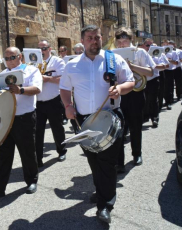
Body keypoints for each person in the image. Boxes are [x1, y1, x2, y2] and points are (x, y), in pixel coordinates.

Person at [60, 25, 134, 224]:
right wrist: (68, 105)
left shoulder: (114, 59)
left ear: (102, 39)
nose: (94, 41)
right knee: (94, 160)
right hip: (84, 120)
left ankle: (105, 205)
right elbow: (65, 88)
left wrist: (119, 88)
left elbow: (131, 82)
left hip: (111, 118)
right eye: (90, 38)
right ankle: (102, 190)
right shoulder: (72, 64)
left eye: (97, 37)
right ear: (83, 41)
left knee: (107, 163)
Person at [0, 47, 42, 196]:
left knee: (27, 152)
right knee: (4, 154)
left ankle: (32, 181)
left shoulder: (31, 70)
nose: (9, 61)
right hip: (5, 118)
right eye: (6, 58)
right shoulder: (2, 75)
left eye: (12, 57)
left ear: (20, 56)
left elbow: (37, 89)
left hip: (24, 118)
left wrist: (20, 90)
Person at [114, 28, 155, 169]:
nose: (122, 44)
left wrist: (132, 67)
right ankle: (119, 162)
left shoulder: (140, 52)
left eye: (125, 41)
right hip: (119, 93)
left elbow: (150, 72)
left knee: (135, 126)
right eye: (119, 41)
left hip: (136, 93)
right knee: (119, 129)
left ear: (131, 40)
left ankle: (137, 153)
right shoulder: (113, 53)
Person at [35, 40, 67, 167]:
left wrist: (46, 78)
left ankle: (61, 151)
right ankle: (38, 158)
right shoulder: (33, 63)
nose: (41, 51)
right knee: (37, 131)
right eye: (39, 49)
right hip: (38, 102)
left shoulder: (57, 62)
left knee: (57, 128)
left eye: (44, 48)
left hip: (53, 100)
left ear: (49, 49)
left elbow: (63, 79)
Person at [141, 39, 168, 128]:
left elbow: (165, 66)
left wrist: (154, 66)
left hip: (153, 79)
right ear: (144, 46)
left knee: (153, 100)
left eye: (151, 45)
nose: (149, 47)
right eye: (147, 45)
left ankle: (155, 118)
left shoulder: (158, 55)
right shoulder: (140, 54)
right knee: (144, 100)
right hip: (142, 80)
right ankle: (145, 117)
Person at [164, 41, 179, 110]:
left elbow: (176, 62)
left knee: (169, 87)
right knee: (162, 88)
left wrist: (169, 60)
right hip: (162, 70)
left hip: (169, 71)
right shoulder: (162, 51)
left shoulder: (174, 52)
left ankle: (169, 102)